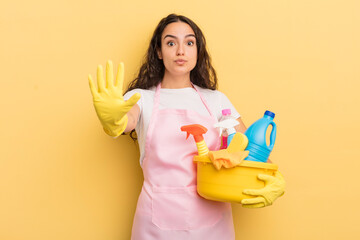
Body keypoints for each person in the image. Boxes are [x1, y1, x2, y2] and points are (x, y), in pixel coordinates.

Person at [88, 13, 285, 240]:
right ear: (159, 52)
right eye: (171, 43)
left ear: (197, 51)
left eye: (189, 43)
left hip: (212, 225)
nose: (181, 51)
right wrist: (112, 120)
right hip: (155, 223)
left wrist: (276, 178)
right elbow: (125, 121)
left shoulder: (216, 100)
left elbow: (252, 153)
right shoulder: (141, 98)